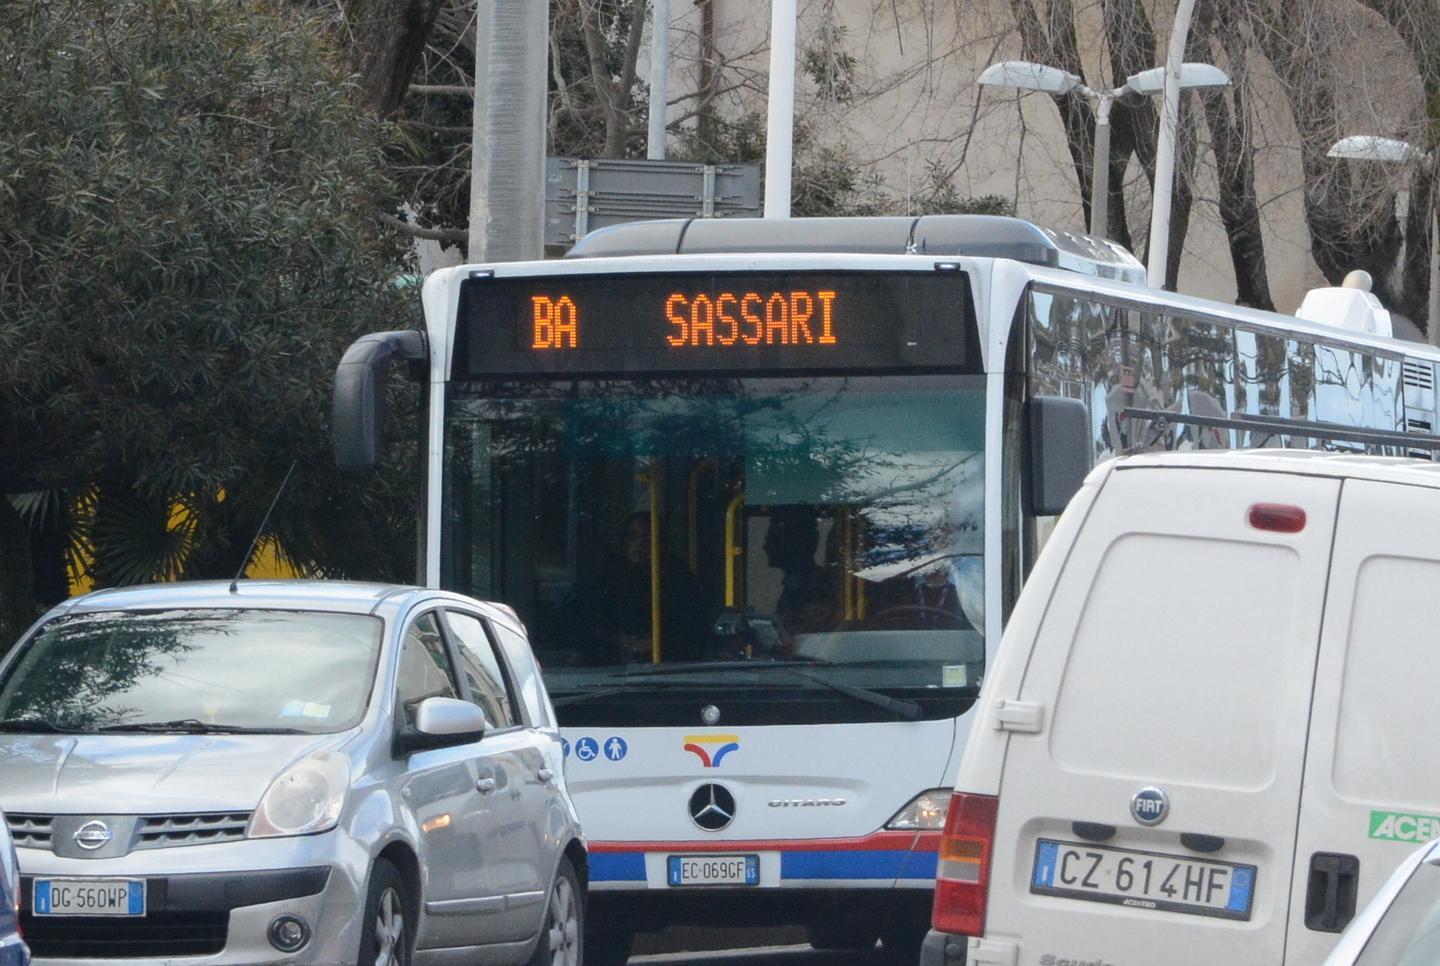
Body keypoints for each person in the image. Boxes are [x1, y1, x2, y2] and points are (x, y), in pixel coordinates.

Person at [580, 512, 710, 665]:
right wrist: (621, 640)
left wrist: (658, 641)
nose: (639, 543)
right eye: (633, 536)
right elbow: (594, 624)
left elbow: (693, 627)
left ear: (661, 542)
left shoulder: (678, 578)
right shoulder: (608, 578)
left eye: (648, 536)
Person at [762, 506, 839, 639]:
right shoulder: (794, 585)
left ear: (795, 540)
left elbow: (807, 637)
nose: (766, 546)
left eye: (773, 537)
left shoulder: (821, 588)